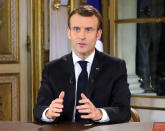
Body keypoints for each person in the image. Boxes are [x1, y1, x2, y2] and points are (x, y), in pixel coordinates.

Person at [33, 5, 131, 124]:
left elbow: (124, 111)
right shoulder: (52, 68)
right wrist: (48, 113)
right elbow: (38, 110)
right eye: (76, 29)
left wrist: (99, 114)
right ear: (69, 33)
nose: (82, 36)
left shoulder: (116, 66)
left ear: (98, 34)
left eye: (88, 29)